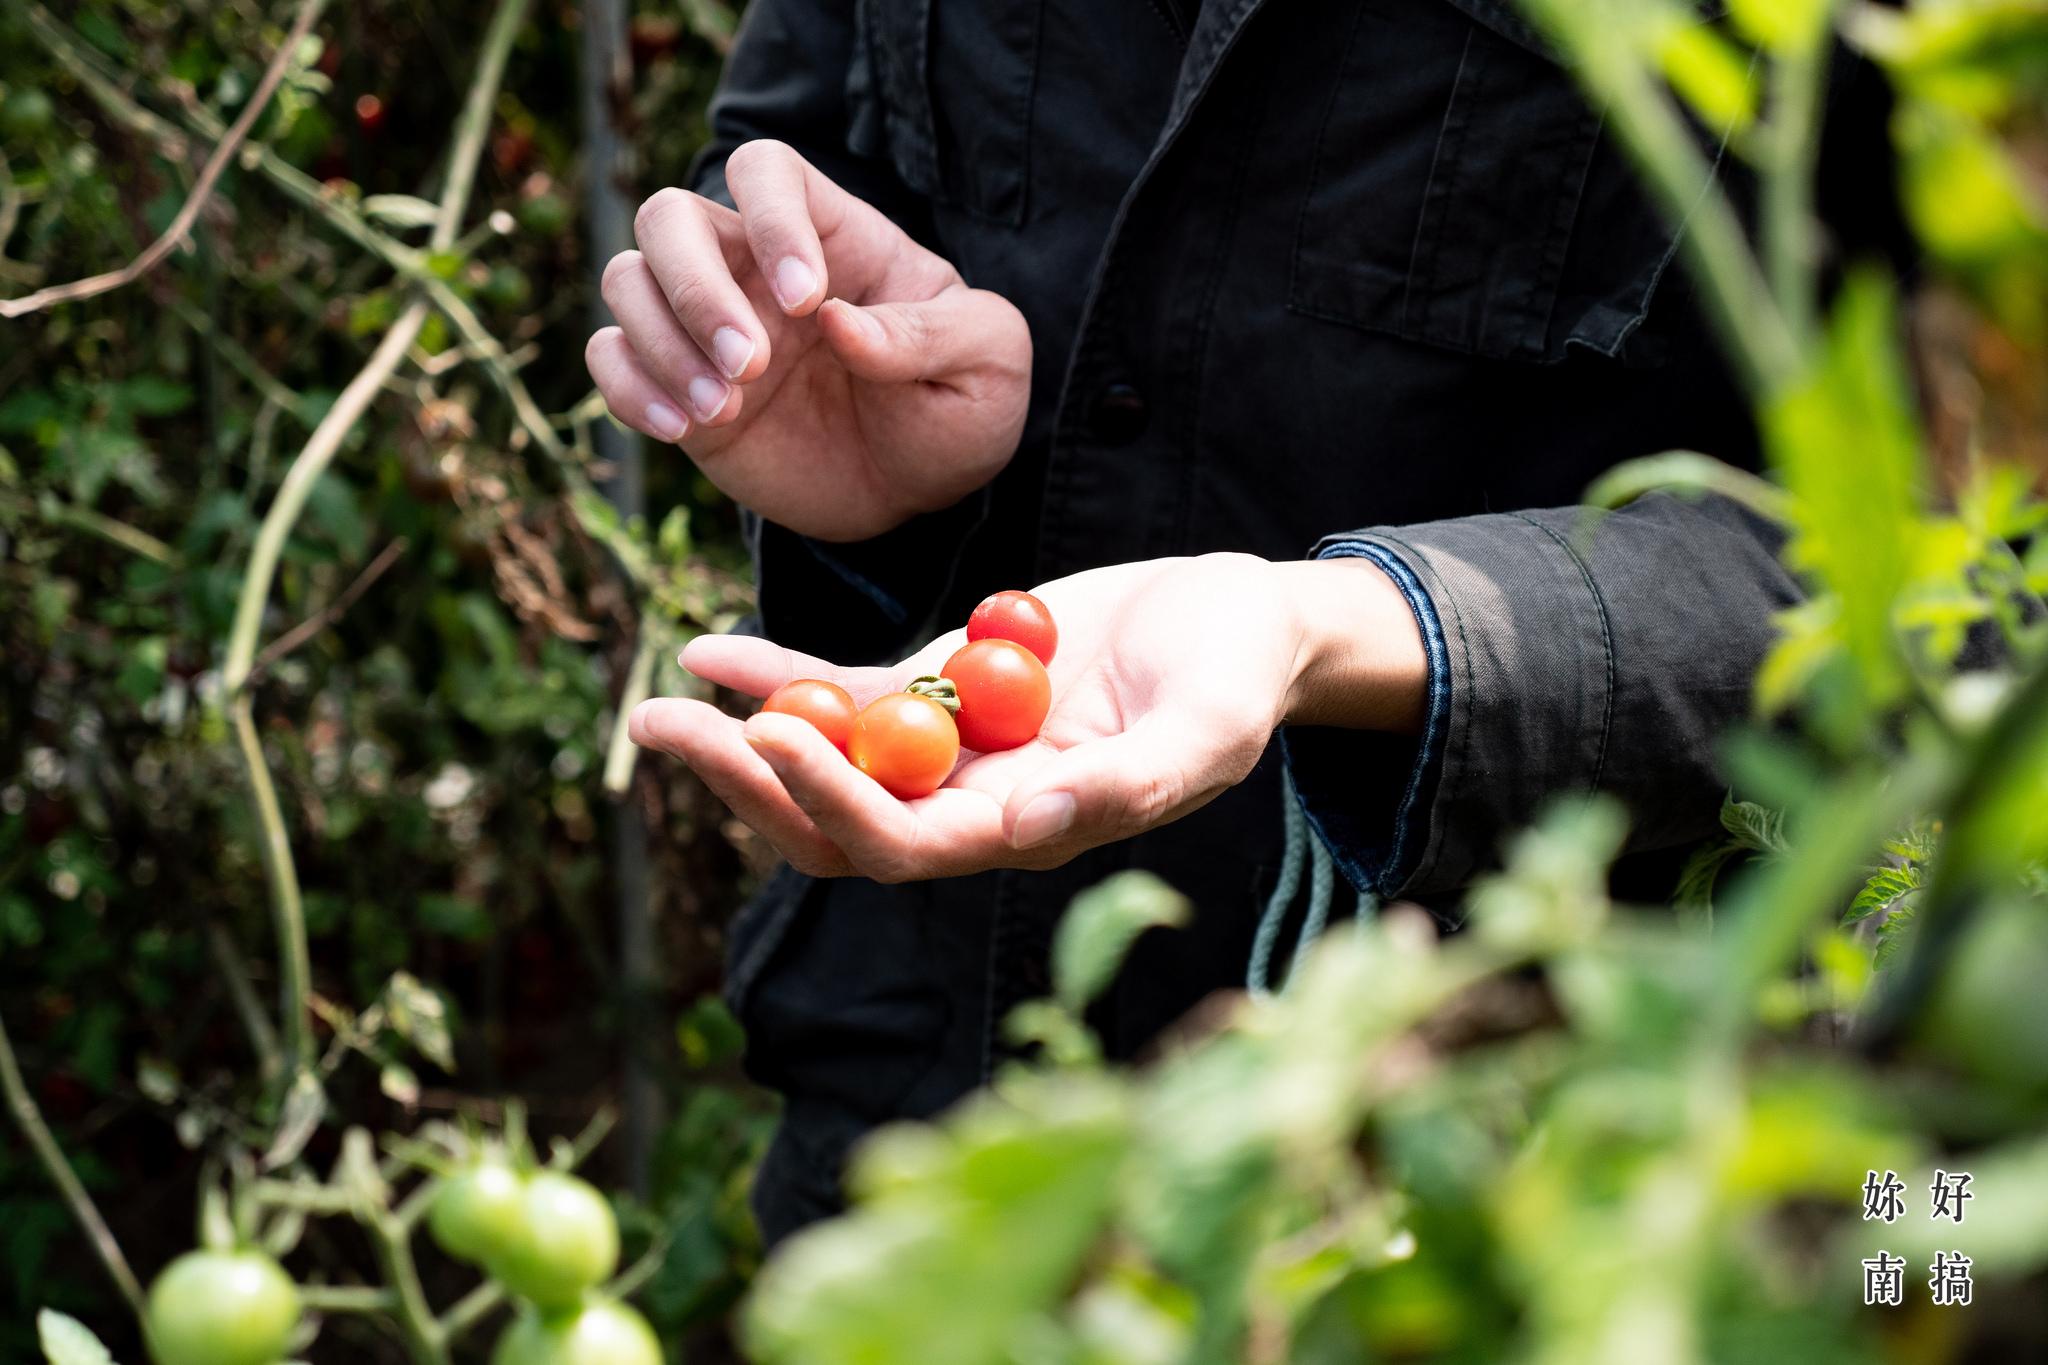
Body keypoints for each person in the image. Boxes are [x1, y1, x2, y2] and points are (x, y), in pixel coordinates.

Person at [586, 0, 1895, 1242]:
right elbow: (808, 152)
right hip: (925, 1120)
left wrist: (1357, 625)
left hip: (1508, 1164)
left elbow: (1978, 578)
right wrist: (845, 416)